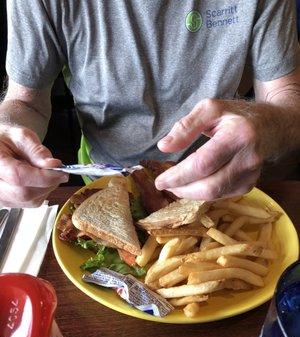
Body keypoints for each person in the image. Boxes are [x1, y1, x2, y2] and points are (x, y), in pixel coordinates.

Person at [1, 1, 300, 207]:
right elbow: (26, 103)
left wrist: (263, 124)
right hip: (104, 186)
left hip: (231, 190)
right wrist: (6, 133)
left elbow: (287, 98)